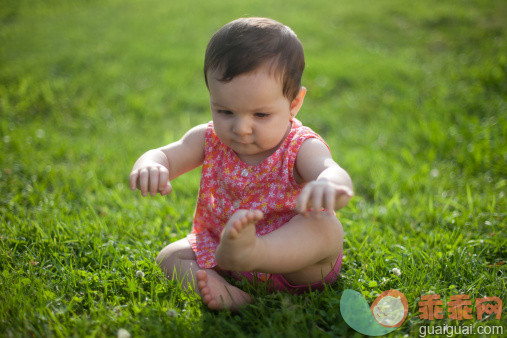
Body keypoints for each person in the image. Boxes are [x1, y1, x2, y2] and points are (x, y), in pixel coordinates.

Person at [129, 17, 353, 311]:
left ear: (294, 103)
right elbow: (167, 155)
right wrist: (151, 164)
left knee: (325, 228)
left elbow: (328, 168)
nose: (241, 128)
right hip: (227, 252)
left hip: (296, 264)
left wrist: (330, 182)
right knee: (171, 256)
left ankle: (256, 252)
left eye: (260, 115)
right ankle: (225, 292)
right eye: (225, 111)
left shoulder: (300, 146)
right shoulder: (208, 138)